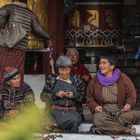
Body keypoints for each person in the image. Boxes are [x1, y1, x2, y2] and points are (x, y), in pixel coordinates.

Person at [86, 53, 140, 135]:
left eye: (104, 63)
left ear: (112, 66)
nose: (101, 65)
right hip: (104, 112)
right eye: (100, 63)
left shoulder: (123, 77)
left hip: (121, 111)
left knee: (137, 114)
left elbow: (131, 94)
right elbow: (89, 97)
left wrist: (129, 104)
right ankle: (125, 130)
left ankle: (100, 128)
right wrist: (95, 106)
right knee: (97, 119)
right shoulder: (95, 80)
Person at [0, 0, 51, 84]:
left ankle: (2, 95)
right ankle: (15, 96)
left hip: (6, 47)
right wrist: (48, 36)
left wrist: (3, 30)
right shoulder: (30, 14)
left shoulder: (11, 8)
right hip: (21, 50)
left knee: (3, 74)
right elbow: (39, 29)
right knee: (17, 76)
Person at [40, 55, 86, 132]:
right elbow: (43, 97)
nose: (64, 73)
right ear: (58, 69)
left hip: (72, 112)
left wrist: (73, 96)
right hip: (53, 112)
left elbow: (83, 99)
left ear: (70, 69)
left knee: (74, 123)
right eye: (61, 70)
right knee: (47, 126)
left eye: (67, 69)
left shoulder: (77, 79)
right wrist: (56, 95)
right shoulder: (52, 79)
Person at [66, 47, 91, 121]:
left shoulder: (83, 68)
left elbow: (91, 82)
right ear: (67, 57)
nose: (73, 57)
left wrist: (88, 79)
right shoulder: (64, 68)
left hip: (79, 99)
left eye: (75, 55)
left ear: (78, 57)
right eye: (70, 55)